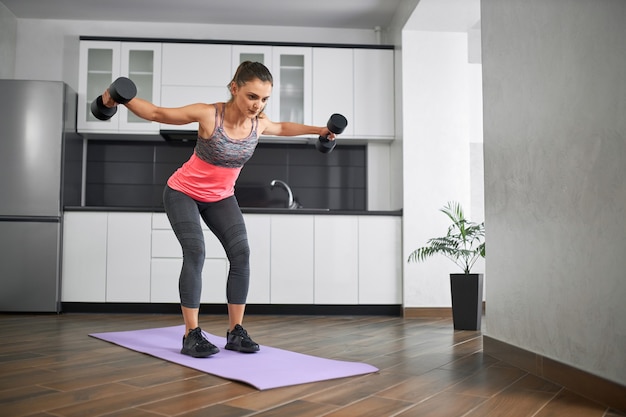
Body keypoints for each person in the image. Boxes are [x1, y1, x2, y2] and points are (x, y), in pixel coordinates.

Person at [101, 61, 337, 358]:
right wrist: (119, 97)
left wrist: (322, 130)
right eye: (252, 96)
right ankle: (191, 335)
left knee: (241, 254)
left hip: (221, 197)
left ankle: (236, 332)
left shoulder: (258, 123)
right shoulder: (209, 114)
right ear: (234, 88)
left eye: (264, 99)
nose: (257, 105)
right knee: (196, 251)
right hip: (182, 192)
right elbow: (158, 113)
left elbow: (282, 127)